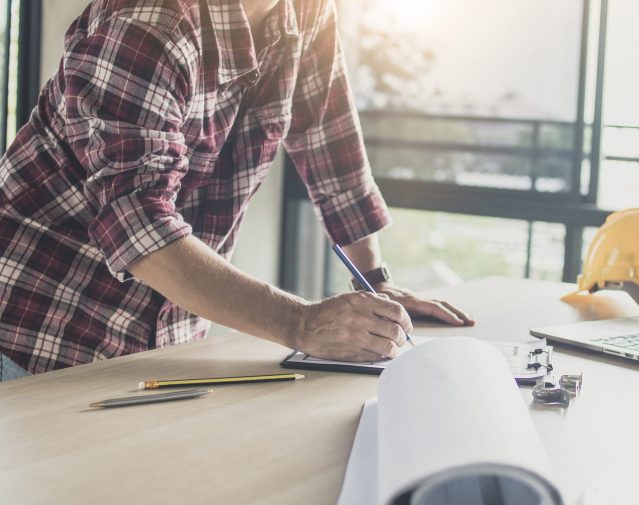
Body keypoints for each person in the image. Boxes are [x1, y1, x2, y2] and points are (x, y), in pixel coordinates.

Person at [0, 0, 474, 380]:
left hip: (160, 352)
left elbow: (328, 137)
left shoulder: (305, 11)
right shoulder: (146, 24)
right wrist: (301, 323)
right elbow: (139, 226)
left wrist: (376, 282)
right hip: (33, 332)